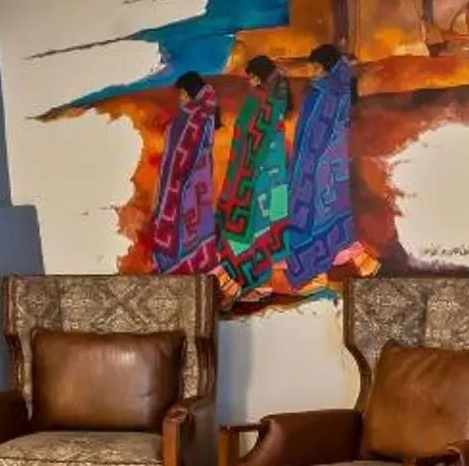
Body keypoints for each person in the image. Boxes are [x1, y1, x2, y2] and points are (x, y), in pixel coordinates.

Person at [280, 41, 371, 289]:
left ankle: (314, 265)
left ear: (321, 67)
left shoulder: (320, 92)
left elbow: (311, 134)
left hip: (317, 164)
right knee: (335, 211)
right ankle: (344, 258)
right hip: (337, 163)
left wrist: (303, 165)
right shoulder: (341, 87)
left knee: (311, 212)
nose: (310, 73)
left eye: (312, 68)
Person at [214, 55, 293, 300]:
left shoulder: (256, 100)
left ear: (257, 76)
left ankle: (244, 283)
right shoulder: (277, 99)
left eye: (251, 75)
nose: (249, 79)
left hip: (252, 174)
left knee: (245, 225)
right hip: (275, 174)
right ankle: (262, 281)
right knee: (268, 227)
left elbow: (244, 137)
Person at [145, 71, 223, 276]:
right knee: (199, 228)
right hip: (201, 184)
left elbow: (174, 160)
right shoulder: (207, 111)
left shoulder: (188, 116)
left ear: (188, 93)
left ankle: (176, 271)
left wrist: (165, 193)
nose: (180, 99)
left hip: (183, 185)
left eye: (181, 94)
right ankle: (203, 270)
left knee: (179, 230)